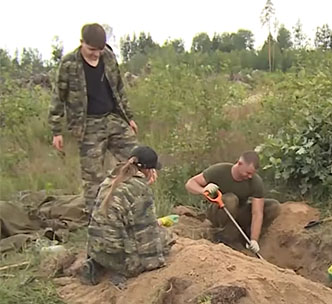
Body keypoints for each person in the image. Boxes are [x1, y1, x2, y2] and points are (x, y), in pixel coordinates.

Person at [48, 23, 139, 212]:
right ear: (82, 43)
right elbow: (59, 96)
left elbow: (119, 89)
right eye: (91, 50)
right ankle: (96, 219)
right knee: (93, 178)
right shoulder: (69, 64)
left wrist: (129, 118)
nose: (96, 54)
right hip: (87, 124)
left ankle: (134, 208)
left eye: (99, 50)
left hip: (113, 118)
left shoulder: (108, 57)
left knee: (137, 159)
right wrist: (56, 131)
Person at [81, 146, 170, 288]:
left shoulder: (109, 180)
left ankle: (97, 264)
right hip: (120, 257)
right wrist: (154, 262)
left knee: (115, 233)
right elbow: (146, 232)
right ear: (147, 170)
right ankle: (121, 271)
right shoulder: (139, 189)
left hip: (96, 250)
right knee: (166, 237)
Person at [185, 151, 281, 254]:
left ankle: (245, 238)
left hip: (238, 213)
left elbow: (257, 212)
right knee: (231, 199)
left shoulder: (255, 181)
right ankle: (224, 236)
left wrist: (254, 239)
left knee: (273, 206)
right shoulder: (219, 170)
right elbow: (190, 184)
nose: (249, 176)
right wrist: (203, 190)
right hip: (219, 211)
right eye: (248, 173)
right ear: (239, 164)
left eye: (252, 174)